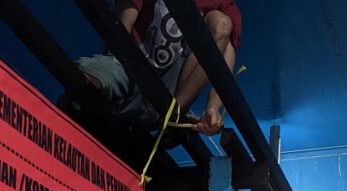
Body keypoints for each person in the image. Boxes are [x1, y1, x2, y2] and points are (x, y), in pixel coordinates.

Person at [76, 0, 241, 135]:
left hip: (166, 91)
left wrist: (213, 107)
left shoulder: (225, 5)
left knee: (221, 22)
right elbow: (123, 25)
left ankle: (171, 115)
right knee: (83, 77)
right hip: (128, 68)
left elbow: (224, 63)